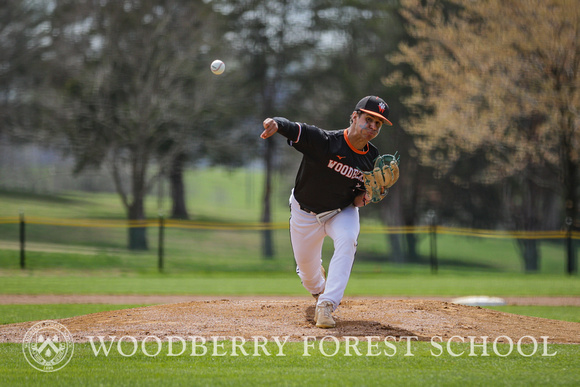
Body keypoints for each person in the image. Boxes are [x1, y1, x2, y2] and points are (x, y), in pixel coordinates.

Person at [260, 96, 399, 328]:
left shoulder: (372, 160)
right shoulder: (325, 141)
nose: (373, 127)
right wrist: (275, 123)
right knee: (309, 278)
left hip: (340, 212)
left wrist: (367, 197)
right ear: (354, 117)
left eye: (379, 123)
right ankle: (318, 290)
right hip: (305, 214)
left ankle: (327, 305)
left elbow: (357, 200)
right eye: (369, 119)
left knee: (348, 239)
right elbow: (294, 129)